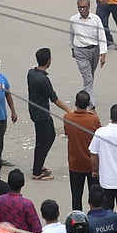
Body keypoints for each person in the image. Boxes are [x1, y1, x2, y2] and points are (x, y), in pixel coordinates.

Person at [27, 48, 70, 181]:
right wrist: (69, 111)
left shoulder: (31, 73)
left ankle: (39, 163)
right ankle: (36, 170)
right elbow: (54, 98)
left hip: (37, 110)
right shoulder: (43, 80)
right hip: (41, 113)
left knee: (50, 135)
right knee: (43, 141)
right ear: (49, 61)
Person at [62, 92, 99, 210]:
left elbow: (67, 133)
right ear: (88, 104)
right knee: (94, 194)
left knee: (76, 195)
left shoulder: (67, 118)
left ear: (75, 103)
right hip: (91, 163)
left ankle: (77, 219)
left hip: (75, 163)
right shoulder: (94, 119)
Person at [69, 0, 107, 106]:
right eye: (79, 7)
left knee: (90, 75)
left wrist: (103, 53)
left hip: (94, 49)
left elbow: (102, 35)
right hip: (80, 51)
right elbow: (71, 35)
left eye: (84, 7)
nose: (82, 9)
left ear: (89, 7)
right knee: (87, 77)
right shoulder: (73, 19)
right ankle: (90, 104)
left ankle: (85, 97)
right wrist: (73, 49)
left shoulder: (95, 19)